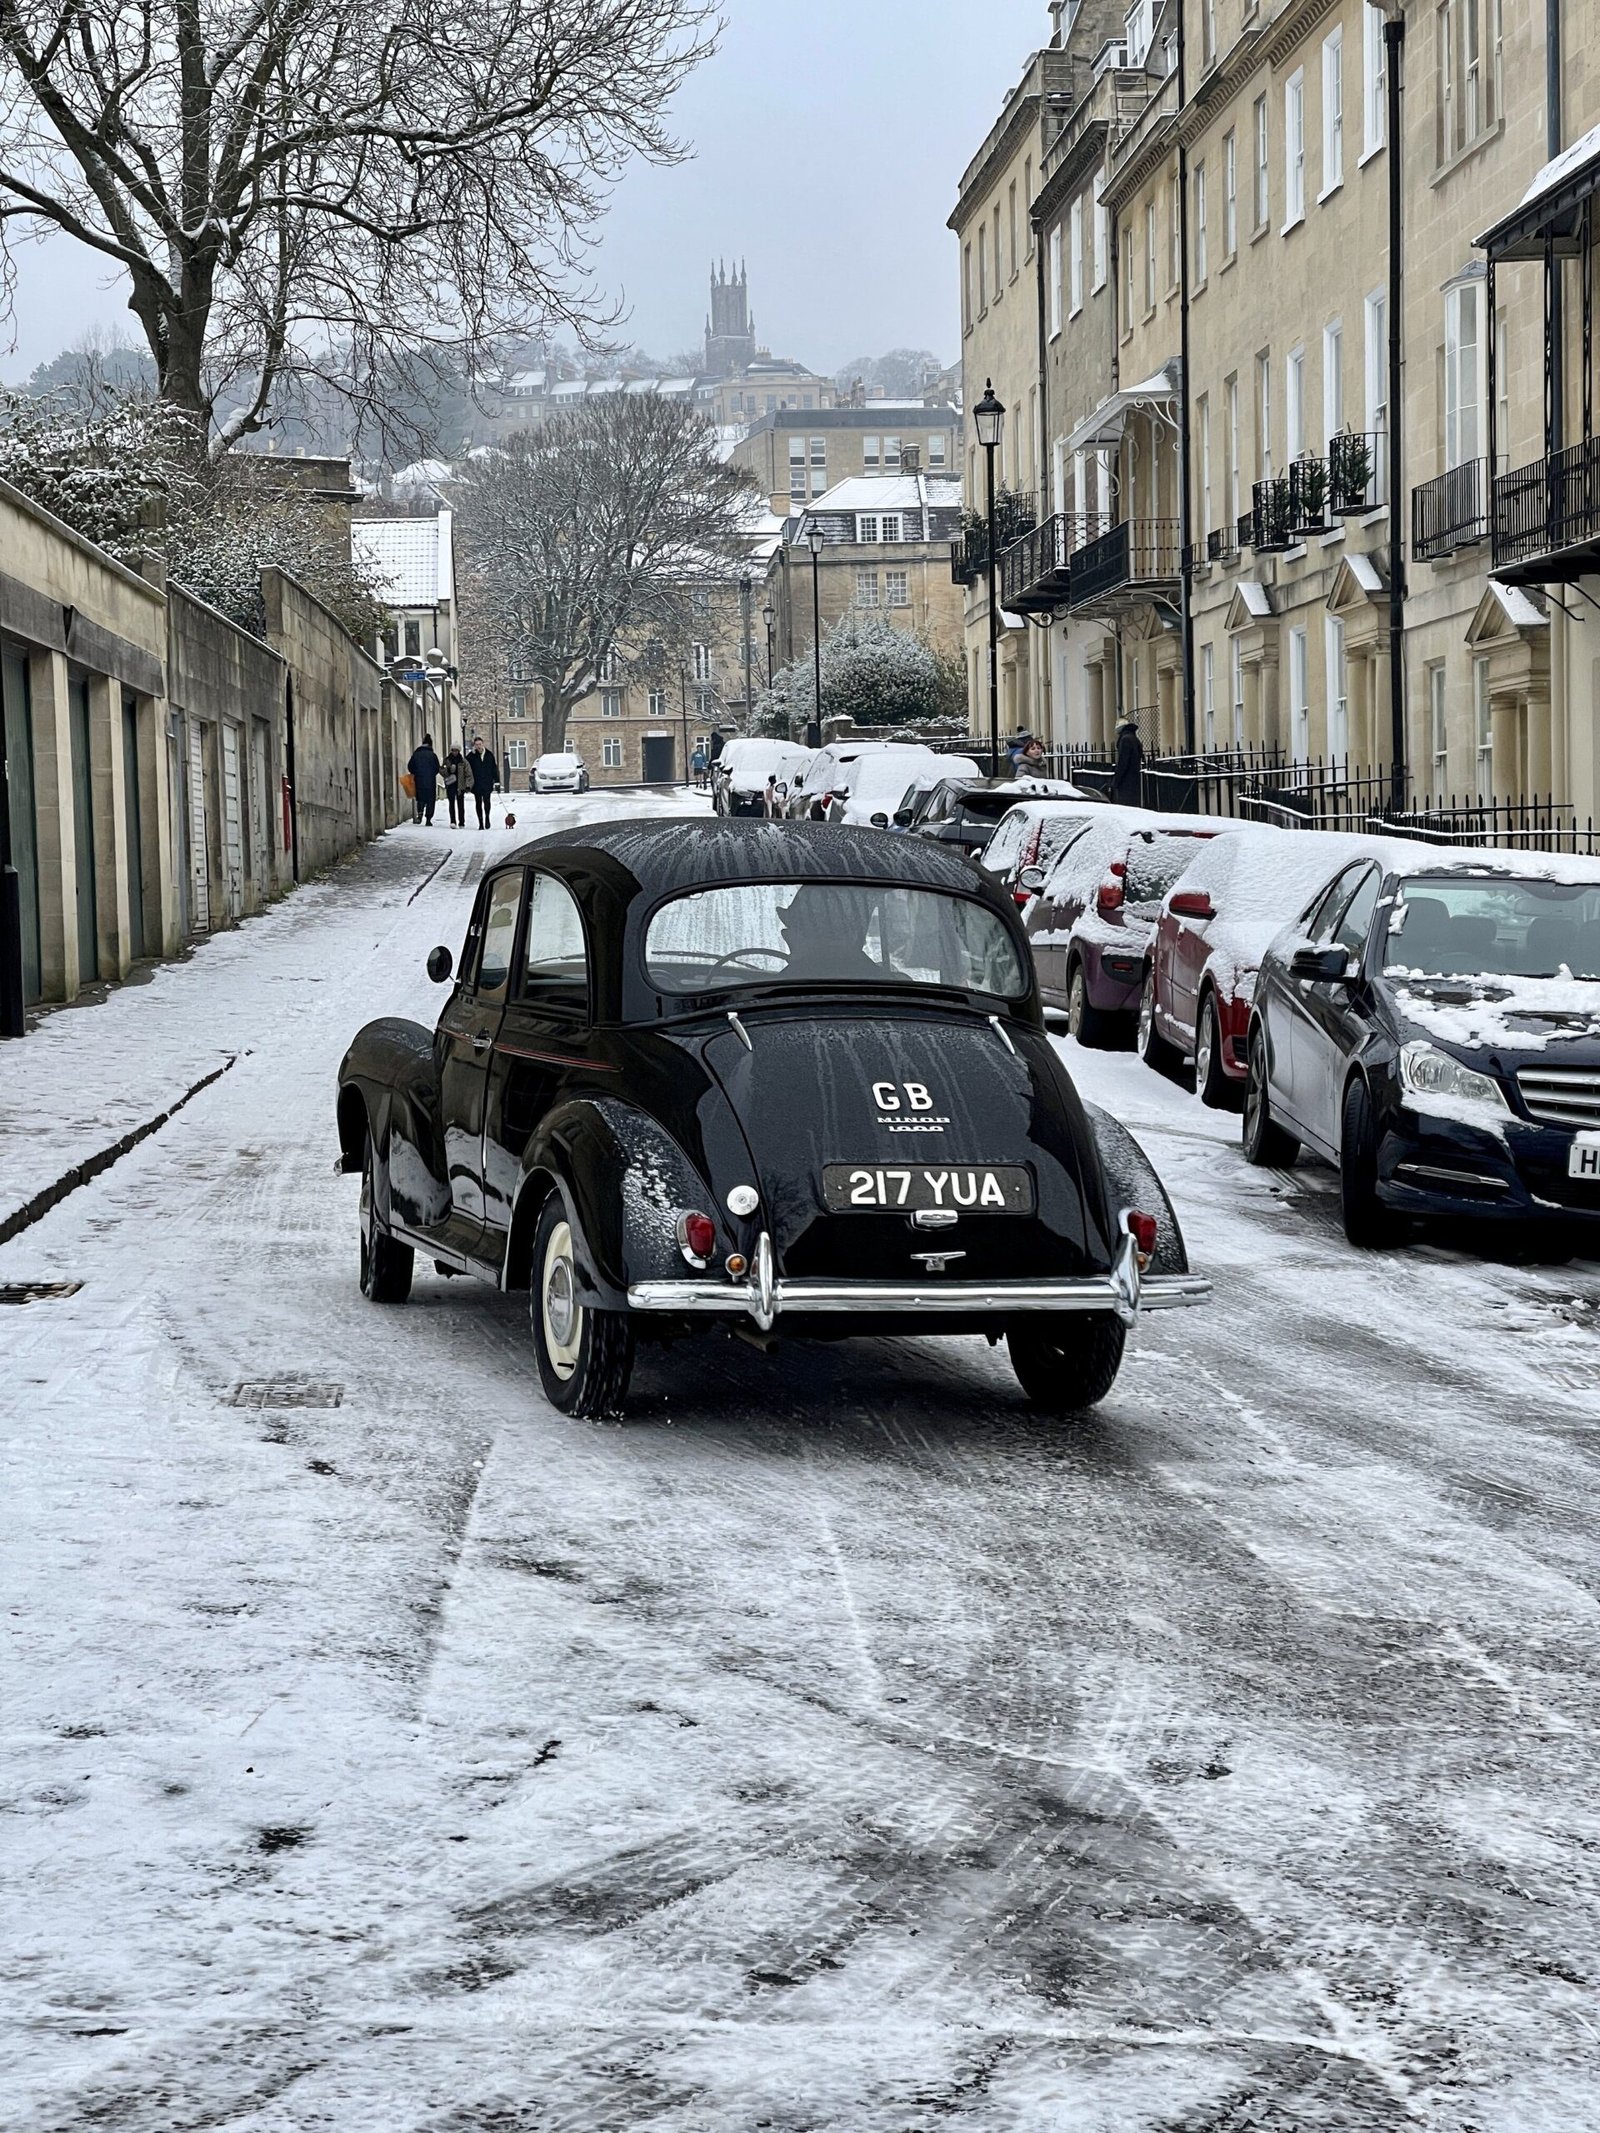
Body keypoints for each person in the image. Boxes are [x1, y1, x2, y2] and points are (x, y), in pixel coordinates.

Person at [1112, 715, 1146, 807]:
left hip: (1127, 781)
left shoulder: (1125, 739)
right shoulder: (1133, 738)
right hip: (1134, 779)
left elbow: (1123, 762)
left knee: (1126, 806)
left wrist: (1116, 781)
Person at [407, 734, 441, 826]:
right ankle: (428, 819)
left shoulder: (416, 754)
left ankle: (420, 814)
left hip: (419, 780)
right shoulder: (433, 755)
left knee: (420, 797)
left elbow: (410, 766)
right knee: (430, 799)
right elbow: (437, 768)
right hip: (430, 781)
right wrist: (431, 774)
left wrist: (416, 773)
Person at [467, 737, 498, 828]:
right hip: (476, 784)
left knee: (487, 802)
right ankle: (480, 822)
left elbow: (494, 769)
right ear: (474, 746)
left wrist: (496, 781)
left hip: (487, 783)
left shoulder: (489, 755)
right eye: (476, 745)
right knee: (478, 803)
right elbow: (466, 766)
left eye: (480, 744)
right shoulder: (471, 756)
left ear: (483, 744)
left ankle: (487, 818)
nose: (478, 746)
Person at [442, 745, 467, 828]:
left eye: (456, 750)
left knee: (461, 804)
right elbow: (441, 770)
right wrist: (448, 770)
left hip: (460, 784)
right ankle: (453, 821)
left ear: (459, 751)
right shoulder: (447, 760)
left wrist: (468, 784)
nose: (454, 752)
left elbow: (468, 772)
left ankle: (461, 822)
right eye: (453, 750)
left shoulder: (463, 761)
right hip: (451, 784)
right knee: (451, 803)